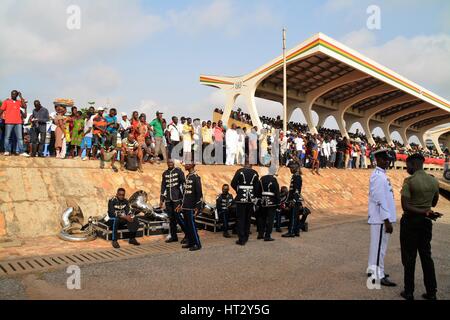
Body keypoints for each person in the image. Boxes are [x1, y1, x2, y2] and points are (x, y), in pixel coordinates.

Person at [399, 153, 442, 300]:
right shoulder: (433, 181)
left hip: (410, 222)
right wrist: (426, 210)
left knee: (409, 257)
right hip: (426, 223)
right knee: (426, 257)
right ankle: (432, 292)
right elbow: (434, 203)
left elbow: (405, 206)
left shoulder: (409, 181)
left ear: (412, 164)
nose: (406, 168)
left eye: (407, 165)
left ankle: (409, 292)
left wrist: (421, 211)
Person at [367, 149, 397, 287]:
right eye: (384, 159)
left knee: (376, 246)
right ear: (377, 160)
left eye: (388, 160)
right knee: (380, 248)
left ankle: (372, 270)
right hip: (381, 219)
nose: (387, 162)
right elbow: (379, 199)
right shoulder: (378, 176)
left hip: (381, 218)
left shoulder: (381, 175)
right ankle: (378, 275)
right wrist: (387, 220)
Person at [231, 161, 259, 245]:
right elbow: (257, 187)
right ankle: (246, 237)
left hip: (241, 198)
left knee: (240, 218)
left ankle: (241, 239)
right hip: (250, 198)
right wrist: (254, 194)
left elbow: (233, 183)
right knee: (248, 218)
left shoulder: (240, 171)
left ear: (244, 164)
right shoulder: (255, 173)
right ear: (251, 165)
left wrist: (238, 190)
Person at [177, 162, 203, 251]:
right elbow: (185, 194)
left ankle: (197, 243)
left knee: (192, 226)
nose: (185, 165)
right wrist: (181, 205)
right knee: (188, 226)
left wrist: (198, 207)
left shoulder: (196, 177)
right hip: (185, 206)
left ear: (192, 165)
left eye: (187, 164)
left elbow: (199, 193)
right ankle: (191, 242)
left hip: (191, 206)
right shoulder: (187, 176)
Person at [160, 159, 187, 244]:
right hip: (168, 200)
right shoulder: (165, 173)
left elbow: (183, 184)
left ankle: (187, 234)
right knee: (171, 219)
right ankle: (174, 236)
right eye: (168, 162)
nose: (170, 164)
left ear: (173, 163)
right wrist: (161, 199)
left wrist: (184, 198)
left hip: (177, 199)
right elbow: (163, 187)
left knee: (178, 217)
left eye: (171, 162)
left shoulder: (178, 172)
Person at [0, 90, 29, 157]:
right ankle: (7, 151)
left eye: (15, 94)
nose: (13, 95)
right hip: (8, 122)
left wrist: (21, 96)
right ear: (11, 94)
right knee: (7, 137)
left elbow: (25, 106)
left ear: (17, 95)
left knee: (20, 138)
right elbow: (1, 110)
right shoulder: (6, 101)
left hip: (18, 122)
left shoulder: (19, 102)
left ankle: (21, 152)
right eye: (12, 94)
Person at [257, 168, 280, 241]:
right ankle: (267, 235)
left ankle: (260, 234)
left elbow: (258, 190)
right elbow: (276, 191)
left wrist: (259, 199)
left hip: (263, 201)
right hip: (272, 202)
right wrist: (278, 202)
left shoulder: (262, 179)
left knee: (262, 218)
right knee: (270, 219)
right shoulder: (274, 180)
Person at [282, 162, 303, 238]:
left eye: (292, 168)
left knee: (293, 216)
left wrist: (294, 200)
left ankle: (291, 232)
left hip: (294, 199)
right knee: (296, 216)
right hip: (294, 199)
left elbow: (297, 190)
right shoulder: (295, 176)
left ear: (296, 168)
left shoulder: (297, 177)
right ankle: (296, 231)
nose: (290, 169)